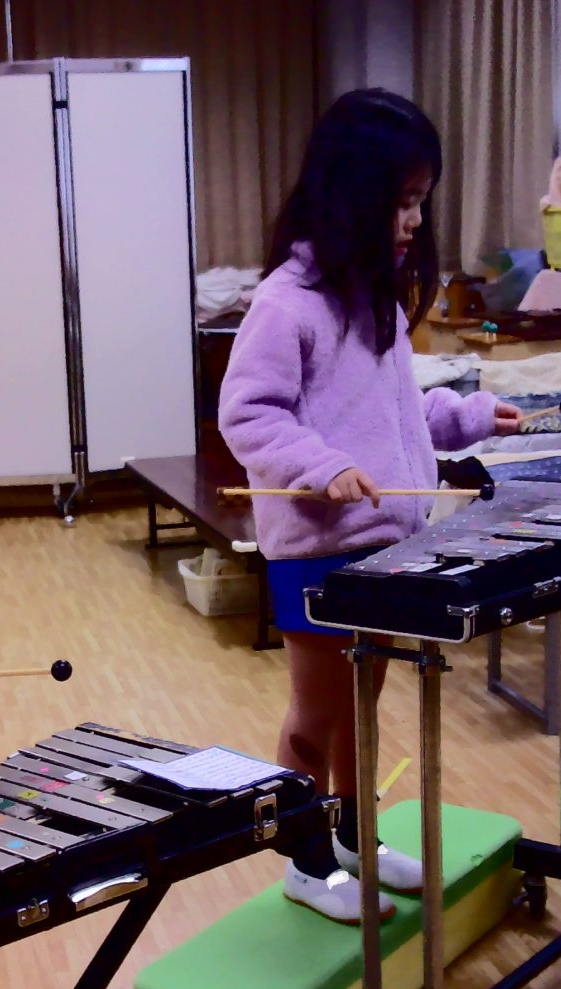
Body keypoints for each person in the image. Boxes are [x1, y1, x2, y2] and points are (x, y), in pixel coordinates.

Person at [218, 89, 521, 923]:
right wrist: (320, 467)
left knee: (363, 708)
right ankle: (305, 863)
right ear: (350, 196)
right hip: (318, 549)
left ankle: (354, 838)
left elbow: (388, 416)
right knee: (317, 717)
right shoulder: (286, 304)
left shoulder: (375, 300)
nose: (414, 221)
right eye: (401, 201)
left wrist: (462, 416)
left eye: (421, 200)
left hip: (386, 545)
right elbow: (250, 415)